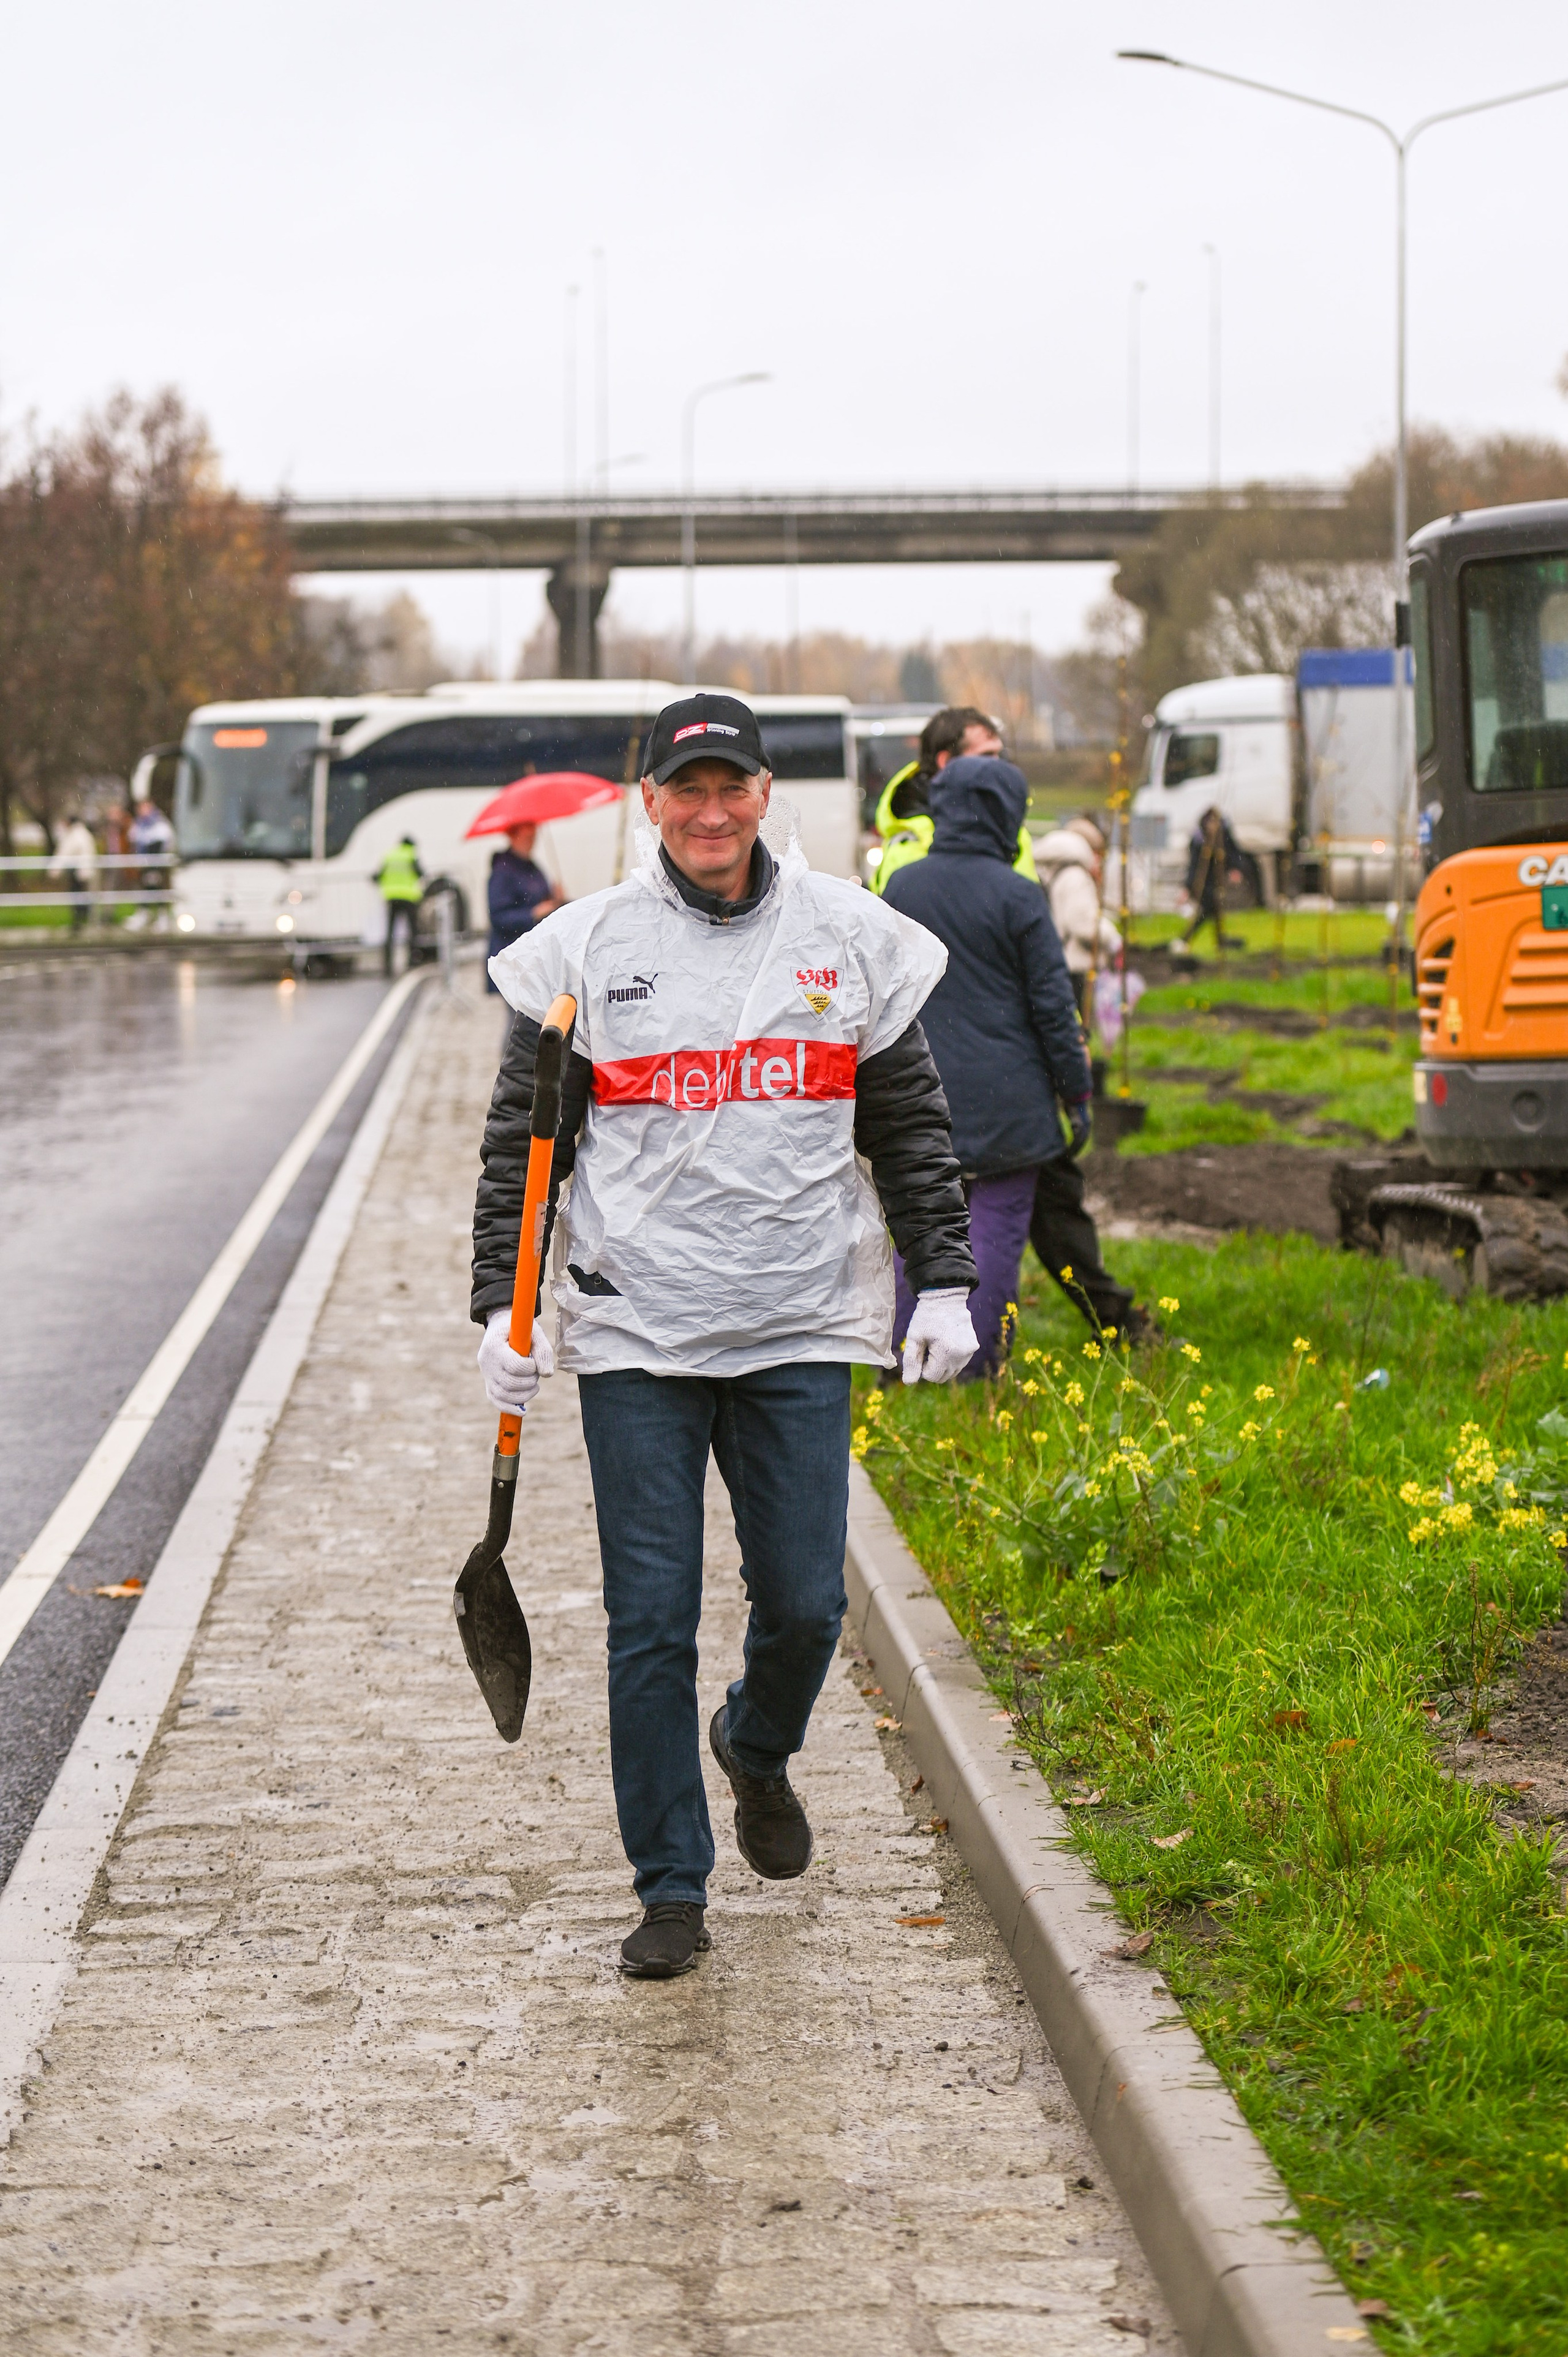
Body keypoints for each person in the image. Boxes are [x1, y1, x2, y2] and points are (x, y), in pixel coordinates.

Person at [472, 691, 977, 1982]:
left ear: (762, 795)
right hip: (636, 1330)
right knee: (648, 1618)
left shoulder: (847, 936)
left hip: (798, 1321)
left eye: (730, 787)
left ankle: (753, 1743)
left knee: (806, 1603)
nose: (710, 812)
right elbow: (524, 1149)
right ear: (650, 801)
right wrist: (499, 1308)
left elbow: (909, 1125)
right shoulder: (582, 951)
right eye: (685, 790)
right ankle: (671, 1883)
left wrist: (943, 1278)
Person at [882, 756, 1146, 1357]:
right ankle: (976, 1368)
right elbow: (1054, 1008)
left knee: (917, 1225)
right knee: (996, 1231)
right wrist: (1077, 1095)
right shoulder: (1019, 895)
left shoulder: (902, 888)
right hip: (1010, 1102)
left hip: (919, 1092)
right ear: (1003, 815)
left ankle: (901, 1360)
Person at [872, 706, 1038, 894]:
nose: (998, 765)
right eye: (986, 756)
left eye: (999, 755)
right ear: (947, 762)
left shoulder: (1010, 827)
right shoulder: (909, 845)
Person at [1034, 816, 1122, 1020]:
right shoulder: (1076, 876)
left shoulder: (1057, 870)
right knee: (1076, 1025)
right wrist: (1112, 937)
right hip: (1074, 966)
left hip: (1058, 961)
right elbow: (1081, 923)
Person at [485, 820, 562, 990]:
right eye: (527, 838)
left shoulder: (532, 867)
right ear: (513, 837)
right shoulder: (502, 872)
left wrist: (555, 898)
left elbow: (541, 897)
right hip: (512, 956)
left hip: (530, 955)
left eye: (534, 837)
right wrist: (532, 914)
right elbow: (498, 917)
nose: (532, 843)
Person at [1178, 807, 1248, 952]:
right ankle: (1190, 939)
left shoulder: (1223, 837)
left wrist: (1235, 869)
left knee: (1213, 910)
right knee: (1210, 909)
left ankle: (1216, 940)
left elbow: (1234, 854)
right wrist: (1188, 887)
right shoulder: (1199, 841)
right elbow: (1194, 866)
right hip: (1204, 882)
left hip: (1216, 880)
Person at [375, 834, 424, 975]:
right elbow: (420, 873)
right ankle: (413, 960)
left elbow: (378, 876)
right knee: (412, 931)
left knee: (390, 933)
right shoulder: (411, 855)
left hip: (392, 898)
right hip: (408, 898)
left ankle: (387, 965)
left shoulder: (390, 855)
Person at [50, 813, 98, 932]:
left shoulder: (74, 835)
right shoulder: (84, 834)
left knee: (77, 897)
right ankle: (84, 921)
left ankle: (78, 923)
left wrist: (55, 869)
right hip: (85, 871)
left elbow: (64, 853)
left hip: (79, 872)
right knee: (84, 896)